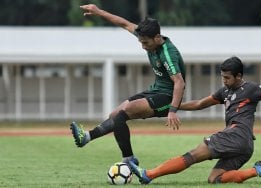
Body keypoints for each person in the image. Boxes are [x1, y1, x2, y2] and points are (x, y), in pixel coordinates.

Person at [129, 56, 261, 184]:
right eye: (222, 77)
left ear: (239, 76)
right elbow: (199, 104)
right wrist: (172, 106)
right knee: (215, 179)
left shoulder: (251, 89)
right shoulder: (224, 91)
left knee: (192, 155)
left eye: (227, 78)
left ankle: (148, 175)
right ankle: (256, 171)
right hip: (244, 146)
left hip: (236, 134)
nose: (224, 81)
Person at [70, 4, 186, 165]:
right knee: (114, 115)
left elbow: (179, 82)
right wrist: (99, 12)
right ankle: (87, 137)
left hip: (167, 98)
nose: (143, 46)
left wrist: (172, 111)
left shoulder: (168, 54)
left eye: (146, 43)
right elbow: (124, 24)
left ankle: (128, 159)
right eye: (141, 42)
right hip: (155, 91)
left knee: (123, 112)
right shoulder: (147, 34)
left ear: (158, 38)